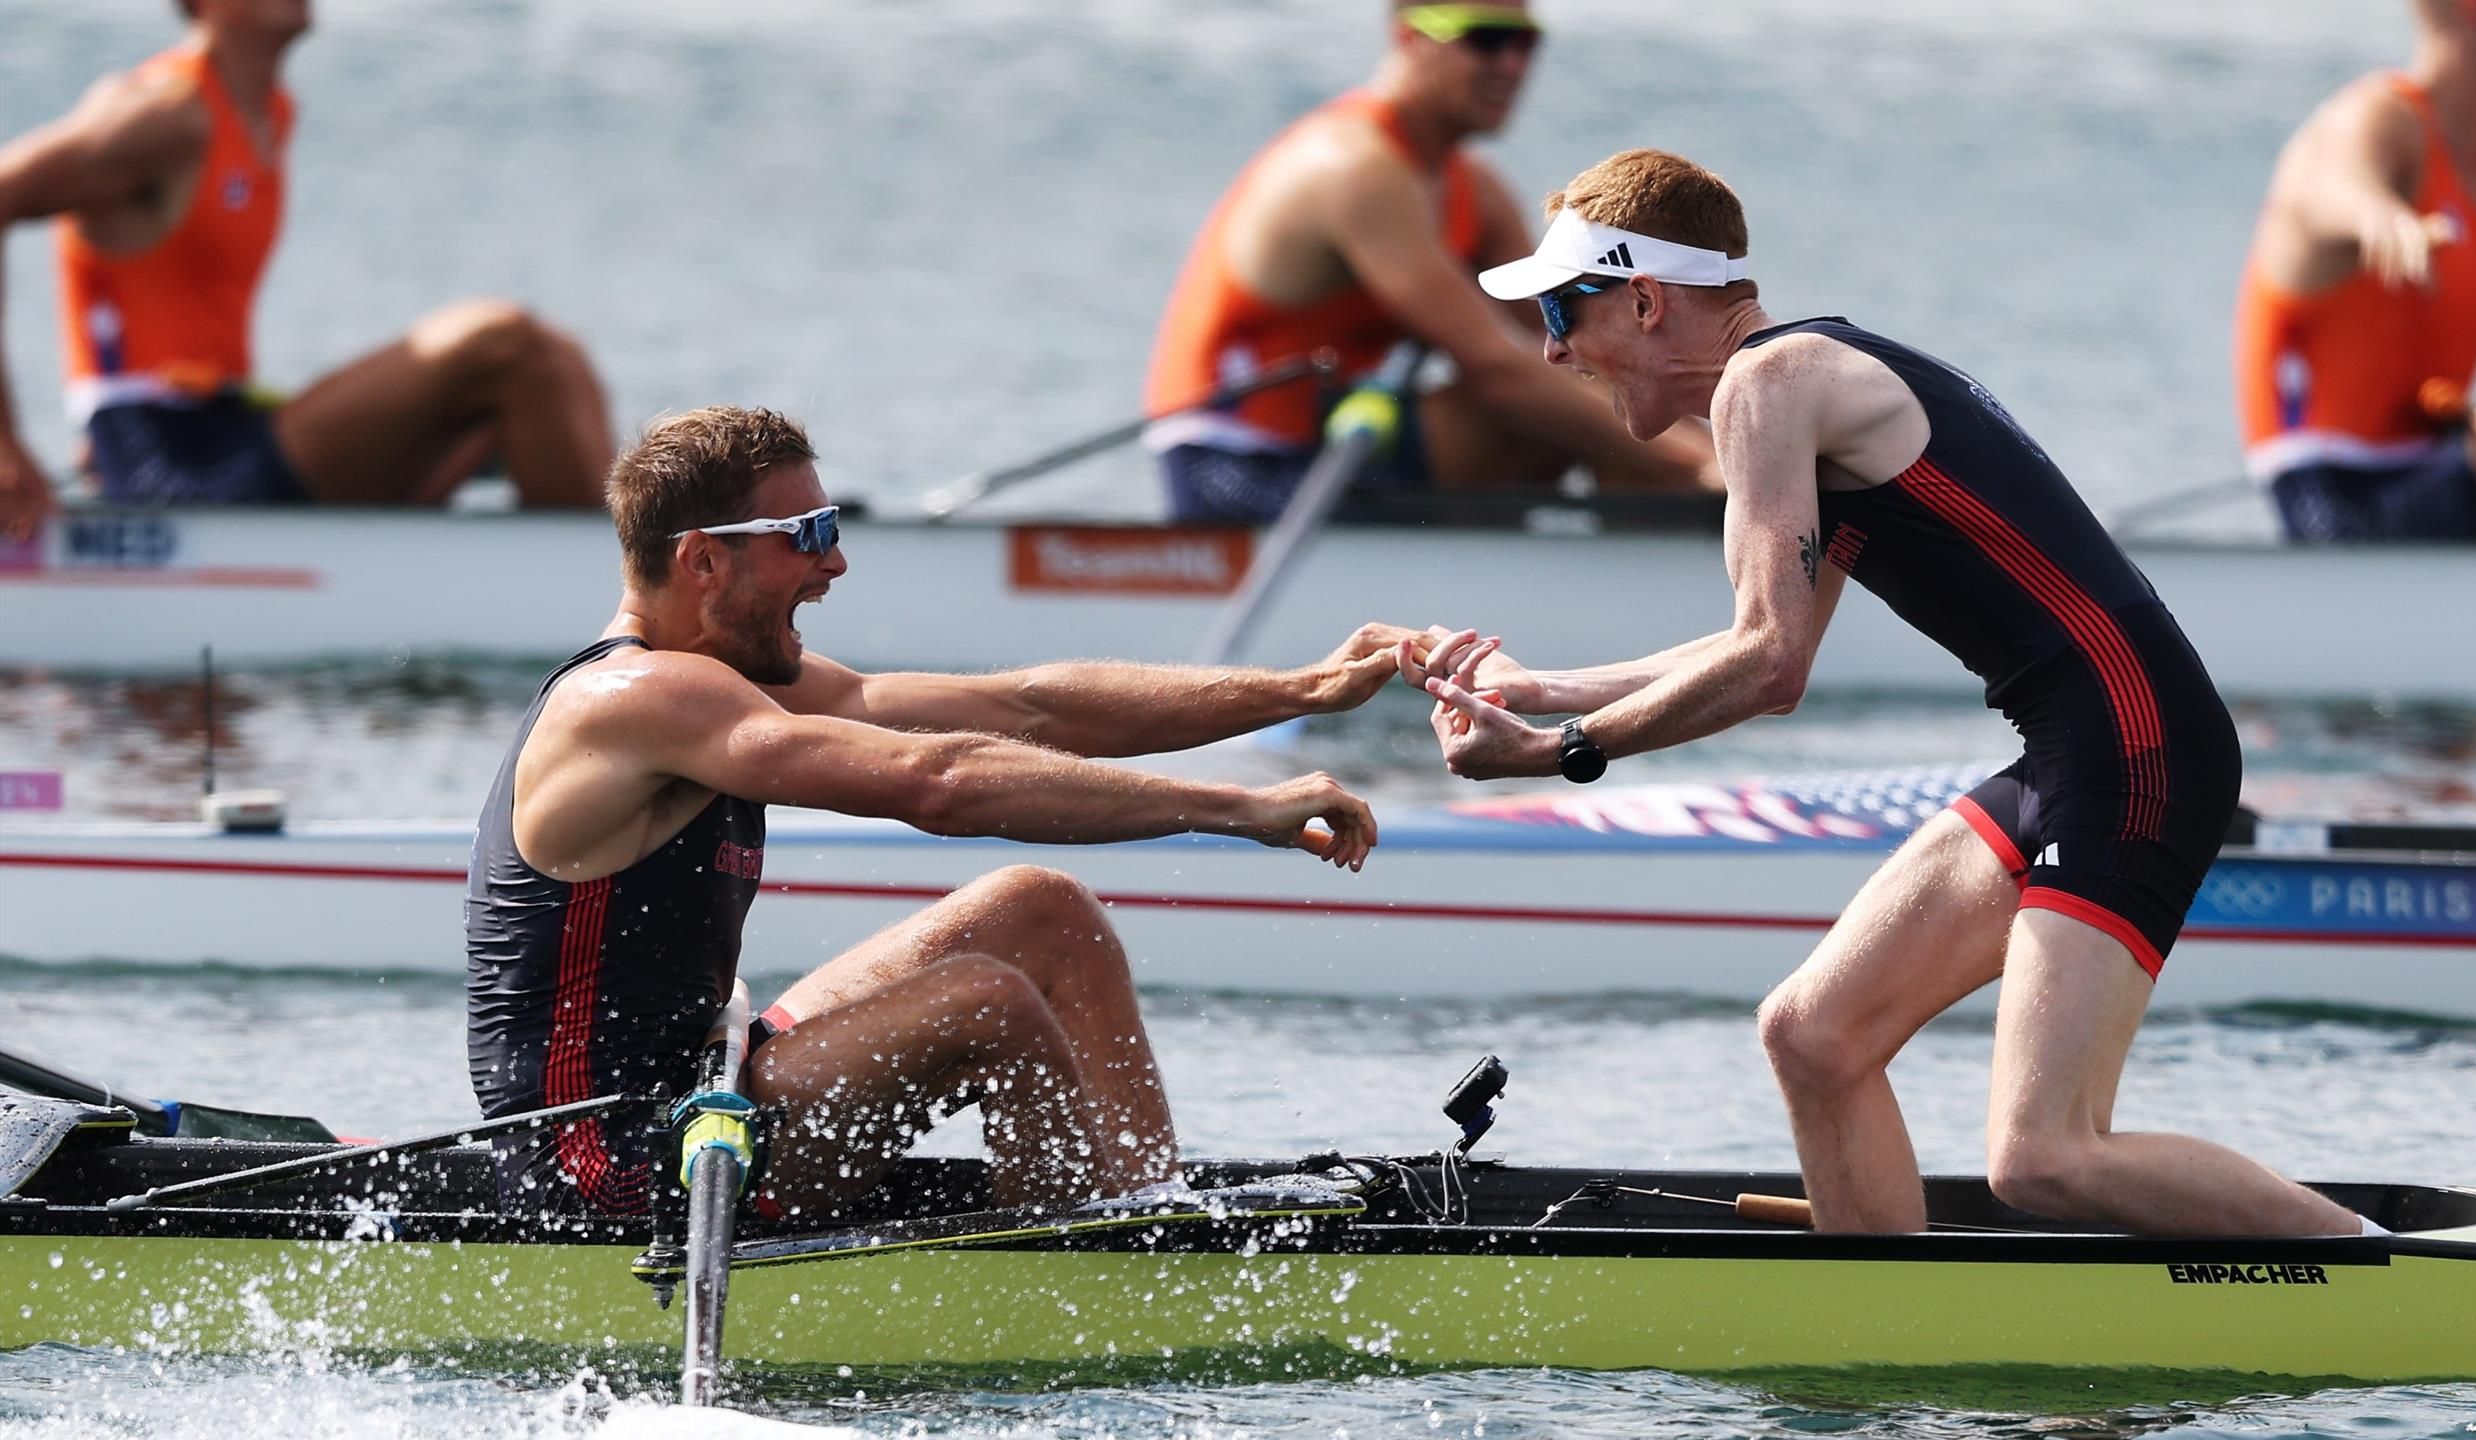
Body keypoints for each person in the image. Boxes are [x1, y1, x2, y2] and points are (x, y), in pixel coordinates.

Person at [1406, 148, 2373, 1238]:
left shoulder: (1768, 386)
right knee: (1813, 1037)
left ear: (1641, 297)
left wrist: (1554, 750)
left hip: (2133, 746)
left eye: (1560, 311)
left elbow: (1765, 666)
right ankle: (1888, 1344)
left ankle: (2394, 1282)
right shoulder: (1803, 380)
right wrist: (1535, 688)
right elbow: (1760, 647)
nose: (1549, 349)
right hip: (2078, 745)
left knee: (2043, 1157)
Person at [466, 405, 1414, 1220]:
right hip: (598, 1161)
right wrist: (1240, 808)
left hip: (710, 1081)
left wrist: (1300, 689)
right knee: (985, 1002)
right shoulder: (634, 700)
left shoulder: (733, 682)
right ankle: (1079, 1285)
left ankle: (1137, 1214)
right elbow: (940, 782)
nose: (834, 560)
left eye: (828, 523)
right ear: (703, 560)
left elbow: (1028, 709)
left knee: (1043, 912)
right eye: (804, 534)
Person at [0, 0, 610, 539]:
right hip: (173, 460)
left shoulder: (268, 114)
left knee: (554, 363)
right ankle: (618, 598)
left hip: (227, 424)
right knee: (504, 345)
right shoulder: (162, 112)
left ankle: (596, 587)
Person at [1139, 0, 1715, 524]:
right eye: (1486, 40)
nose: (1512, 66)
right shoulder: (1353, 168)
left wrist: (1734, 436)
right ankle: (1654, 585)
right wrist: (1696, 467)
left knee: (1600, 382)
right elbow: (1497, 370)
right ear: (1410, 39)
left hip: (1336, 441)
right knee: (1549, 417)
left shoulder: (1474, 191)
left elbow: (1583, 348)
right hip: (1235, 463)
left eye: (1525, 44)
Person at [2235, 0, 2476, 541]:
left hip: (2442, 465)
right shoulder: (2376, 119)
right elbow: (2332, 183)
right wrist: (2385, 220)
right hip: (2338, 500)